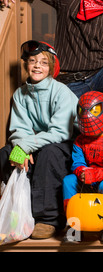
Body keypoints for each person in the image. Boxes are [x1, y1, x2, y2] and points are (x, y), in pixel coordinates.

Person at [0, 40, 78, 239]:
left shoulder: (61, 92)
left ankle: (47, 219)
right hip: (34, 142)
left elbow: (60, 131)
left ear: (51, 67)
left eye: (43, 62)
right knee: (5, 153)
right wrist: (20, 147)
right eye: (32, 61)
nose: (37, 66)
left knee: (48, 153)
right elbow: (19, 128)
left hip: (64, 145)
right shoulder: (20, 94)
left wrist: (25, 146)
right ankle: (12, 210)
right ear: (26, 64)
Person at [63, 91, 103, 242]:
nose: (88, 115)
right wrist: (83, 172)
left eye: (95, 110)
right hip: (84, 179)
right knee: (68, 181)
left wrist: (96, 175)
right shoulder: (80, 140)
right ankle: (74, 225)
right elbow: (77, 163)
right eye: (83, 111)